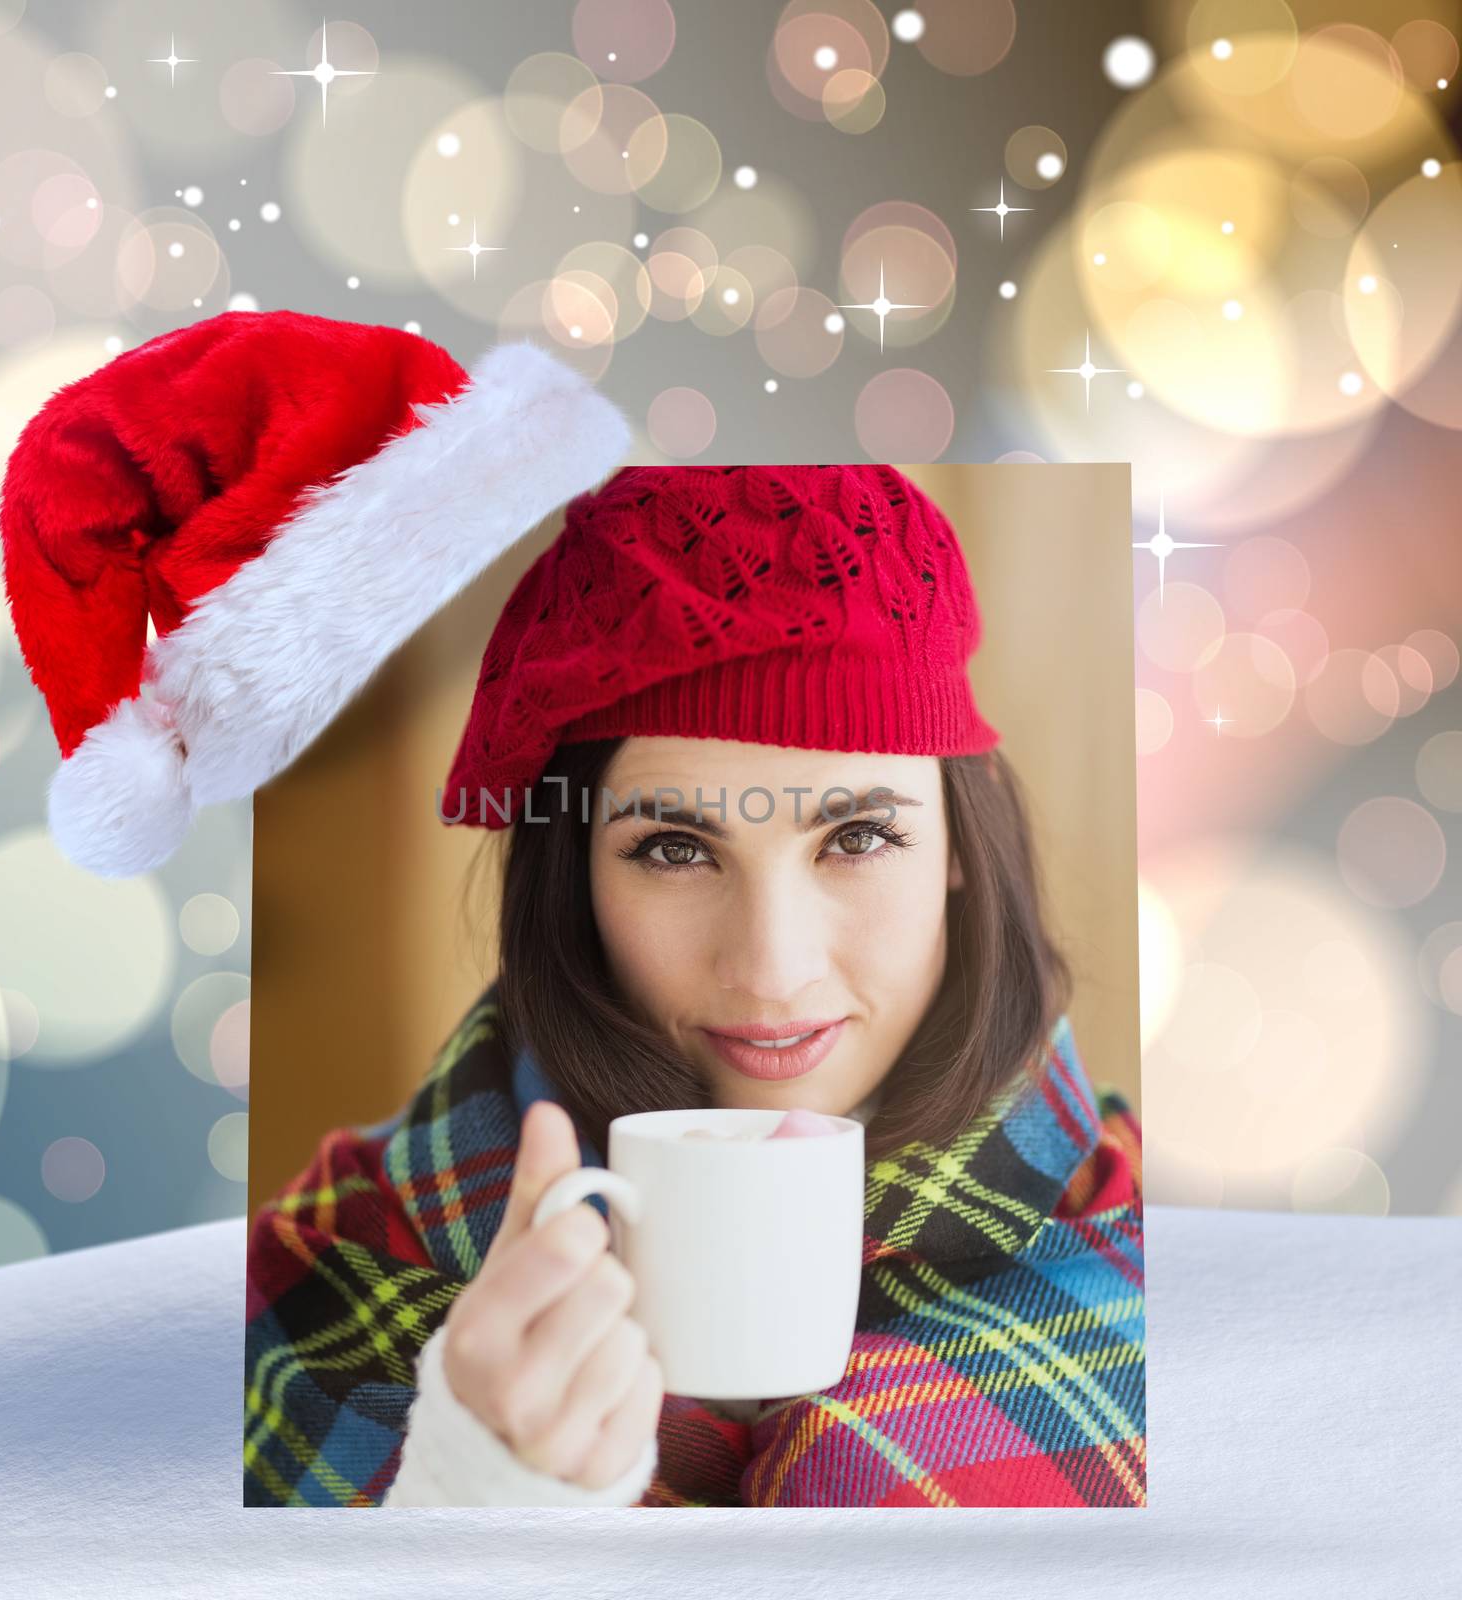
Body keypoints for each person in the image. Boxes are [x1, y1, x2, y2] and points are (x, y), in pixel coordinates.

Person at [243, 463, 1146, 1508]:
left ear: (958, 834)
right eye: (674, 847)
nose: (771, 969)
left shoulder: (1171, 1277)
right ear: (574, 869)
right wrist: (466, 1494)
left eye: (857, 835)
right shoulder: (338, 1256)